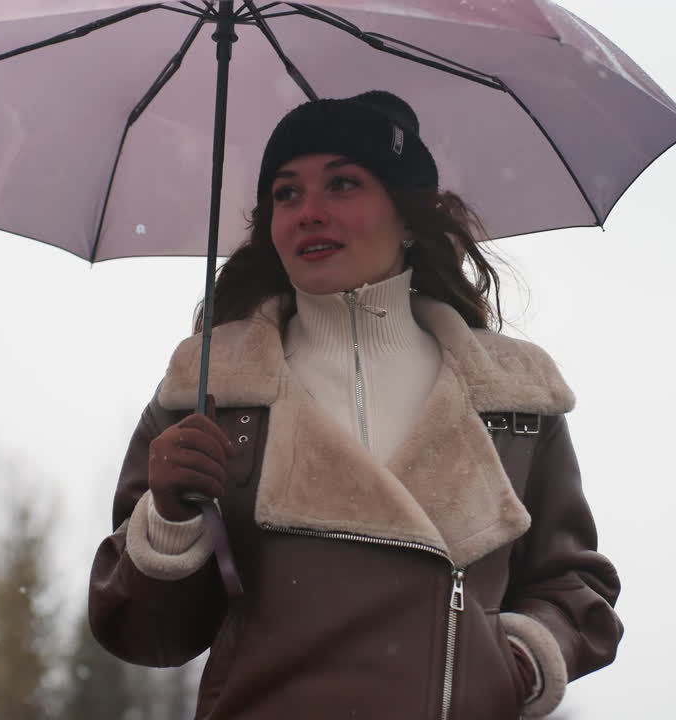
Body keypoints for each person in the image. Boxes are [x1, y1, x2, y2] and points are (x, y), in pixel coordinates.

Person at [89, 90, 622, 719]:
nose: (309, 212)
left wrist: (518, 662)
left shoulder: (513, 398)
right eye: (286, 193)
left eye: (342, 184)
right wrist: (170, 521)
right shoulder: (207, 393)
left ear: (408, 217)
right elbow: (145, 636)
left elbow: (573, 588)